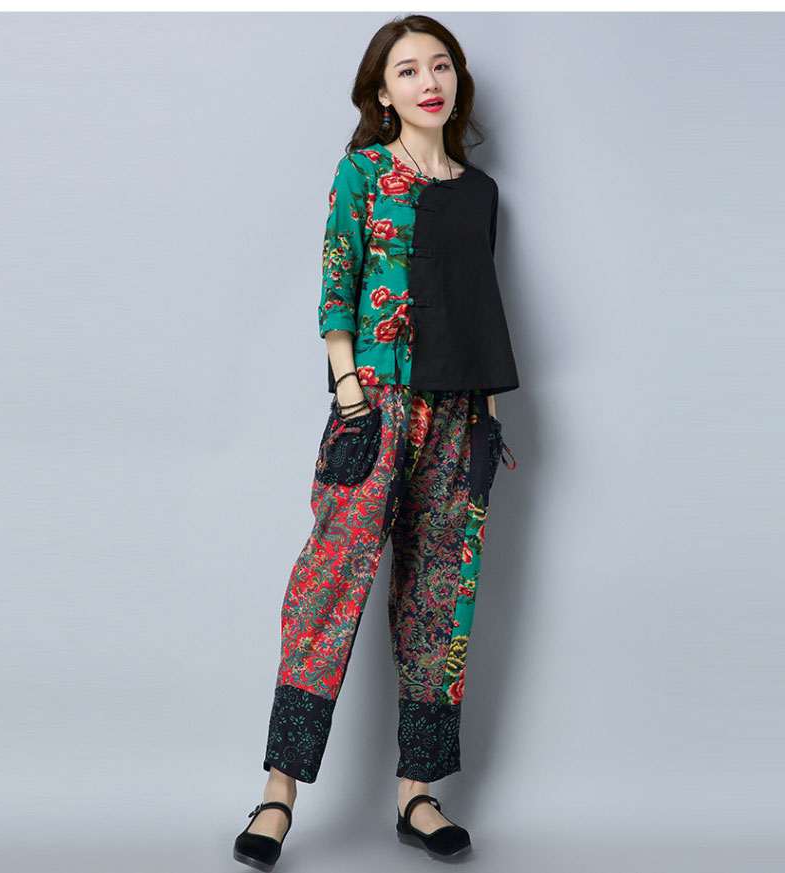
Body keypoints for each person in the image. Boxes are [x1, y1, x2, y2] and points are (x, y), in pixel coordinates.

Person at [233, 13, 518, 870]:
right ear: (383, 93)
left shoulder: (480, 191)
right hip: (376, 405)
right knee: (327, 588)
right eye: (408, 70)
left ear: (457, 81)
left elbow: (480, 306)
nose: (430, 82)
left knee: (439, 598)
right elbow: (338, 282)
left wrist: (487, 417)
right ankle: (277, 794)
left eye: (442, 66)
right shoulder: (362, 173)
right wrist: (350, 390)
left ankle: (417, 794)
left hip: (460, 414)